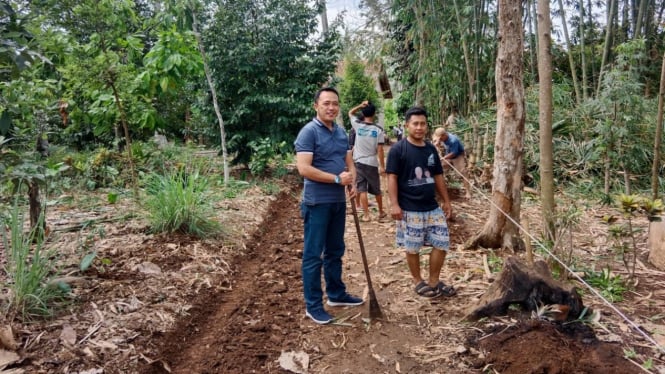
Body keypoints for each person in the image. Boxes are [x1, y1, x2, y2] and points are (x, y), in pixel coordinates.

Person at [294, 87, 365, 325]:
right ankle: (313, 306)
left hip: (337, 201)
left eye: (335, 103)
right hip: (317, 202)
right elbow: (303, 168)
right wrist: (336, 179)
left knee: (335, 250)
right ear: (316, 106)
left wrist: (351, 180)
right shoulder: (309, 132)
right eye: (326, 103)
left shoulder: (341, 132)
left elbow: (348, 162)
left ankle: (336, 294)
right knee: (313, 255)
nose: (331, 107)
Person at [386, 107, 456, 298]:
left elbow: (438, 176)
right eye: (415, 124)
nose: (419, 127)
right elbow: (391, 177)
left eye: (422, 124)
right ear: (407, 125)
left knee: (442, 243)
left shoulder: (430, 149)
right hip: (410, 208)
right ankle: (418, 281)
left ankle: (434, 281)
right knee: (413, 246)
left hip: (432, 206)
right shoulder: (398, 150)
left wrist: (446, 201)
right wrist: (394, 204)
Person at [348, 100, 387, 222]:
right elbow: (380, 150)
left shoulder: (358, 125)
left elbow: (350, 113)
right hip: (372, 162)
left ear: (363, 114)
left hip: (358, 162)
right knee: (376, 188)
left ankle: (366, 215)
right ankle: (381, 212)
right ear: (374, 114)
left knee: (362, 188)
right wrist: (382, 166)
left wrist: (360, 105)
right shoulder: (378, 130)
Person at [432, 127, 471, 199]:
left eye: (440, 138)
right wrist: (437, 143)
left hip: (457, 156)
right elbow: (435, 139)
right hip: (448, 155)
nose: (439, 140)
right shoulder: (441, 137)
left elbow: (454, 153)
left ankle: (468, 192)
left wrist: (443, 158)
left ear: (444, 135)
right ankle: (438, 191)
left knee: (463, 173)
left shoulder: (453, 140)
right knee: (438, 169)